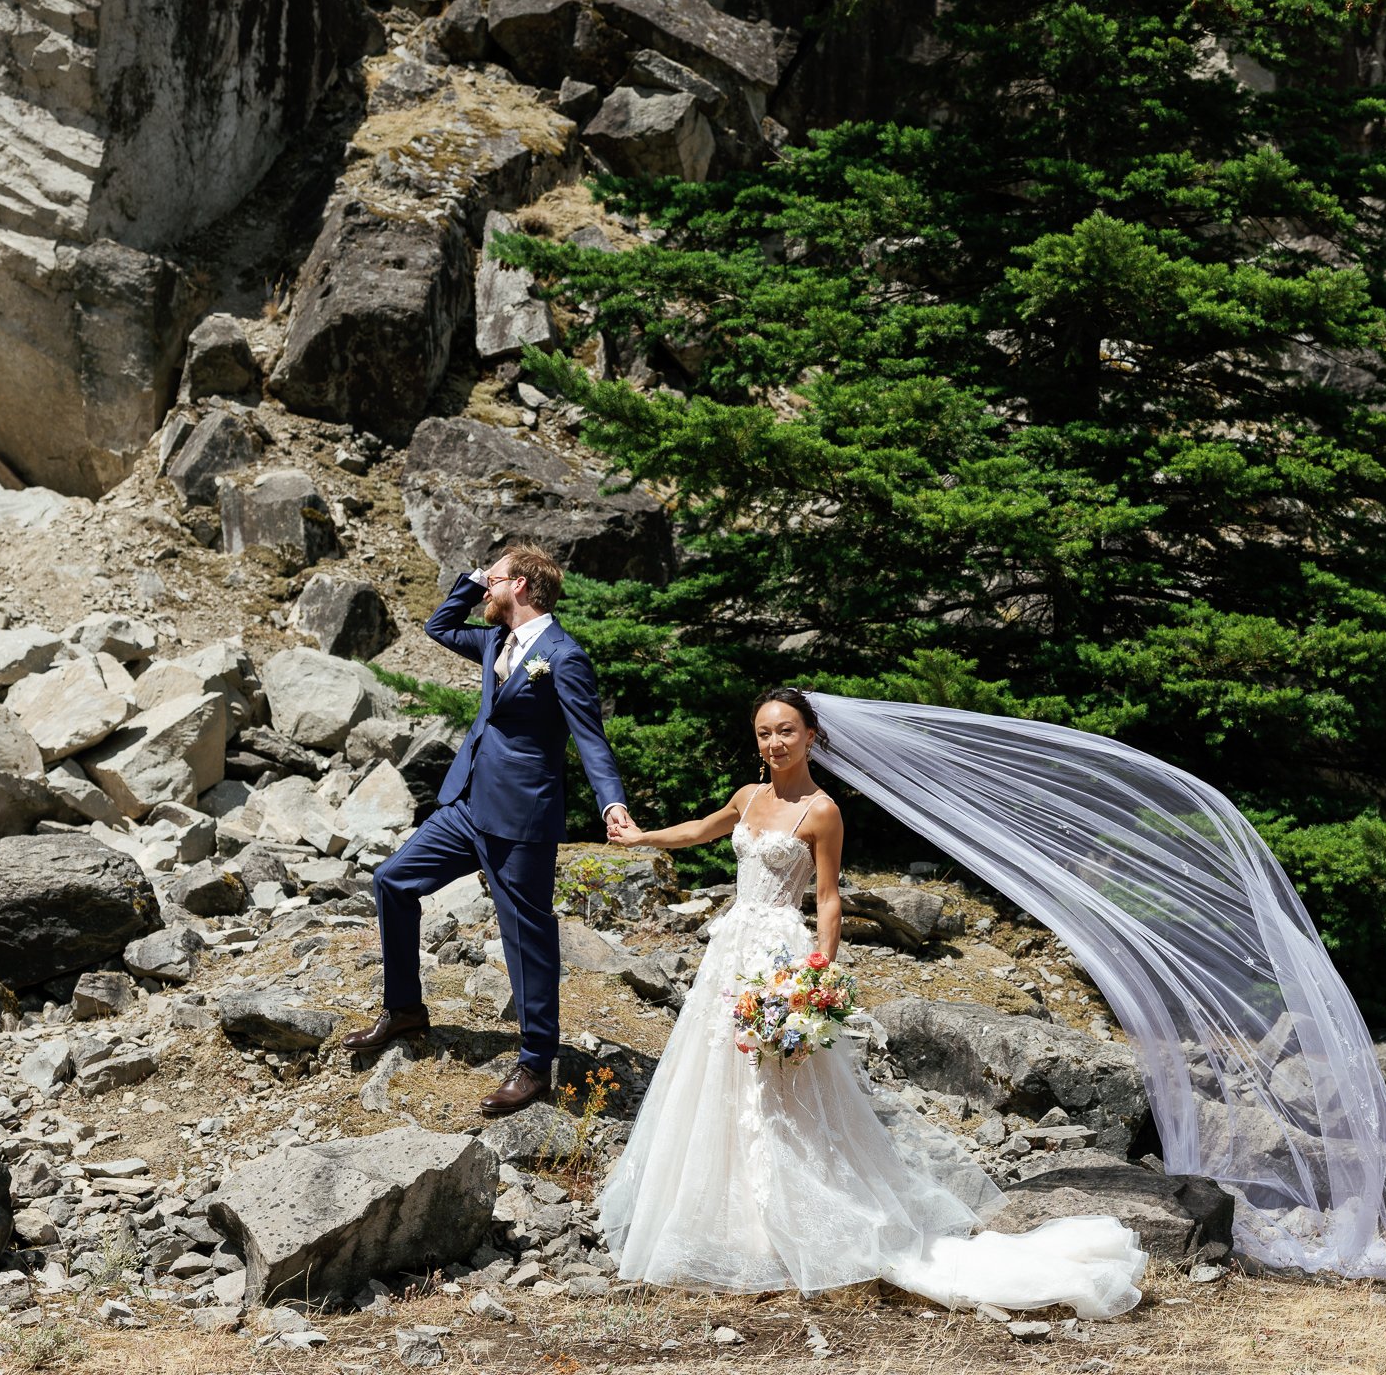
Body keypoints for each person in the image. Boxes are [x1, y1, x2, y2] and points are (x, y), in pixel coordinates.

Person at [598, 688, 1150, 1317]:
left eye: (784, 730)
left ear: (810, 735)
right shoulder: (748, 797)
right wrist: (640, 838)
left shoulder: (822, 810)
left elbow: (828, 895)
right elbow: (701, 831)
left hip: (780, 954)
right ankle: (734, 1217)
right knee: (719, 1075)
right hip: (730, 950)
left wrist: (819, 972)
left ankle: (795, 1215)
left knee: (778, 1086)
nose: (773, 743)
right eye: (762, 733)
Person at [344, 546, 635, 1120]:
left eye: (493, 581)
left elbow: (590, 738)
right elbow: (438, 625)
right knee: (392, 882)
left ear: (521, 587)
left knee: (525, 936)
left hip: (522, 819)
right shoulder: (494, 642)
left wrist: (612, 803)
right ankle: (404, 1008)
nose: (483, 591)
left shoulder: (563, 656)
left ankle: (535, 1060)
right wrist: (478, 576)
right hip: (465, 804)